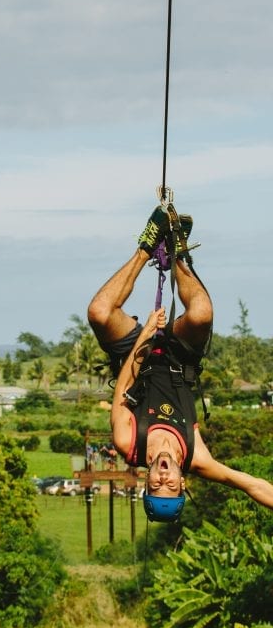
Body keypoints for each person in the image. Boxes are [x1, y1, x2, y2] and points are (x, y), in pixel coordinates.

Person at [87, 206, 273, 521]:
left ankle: (146, 249)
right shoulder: (197, 457)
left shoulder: (127, 443)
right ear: (182, 482)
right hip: (178, 359)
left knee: (99, 312)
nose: (163, 479)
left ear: (145, 482)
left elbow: (124, 388)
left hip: (135, 358)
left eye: (156, 486)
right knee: (201, 314)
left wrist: (145, 335)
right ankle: (177, 254)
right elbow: (253, 486)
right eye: (170, 486)